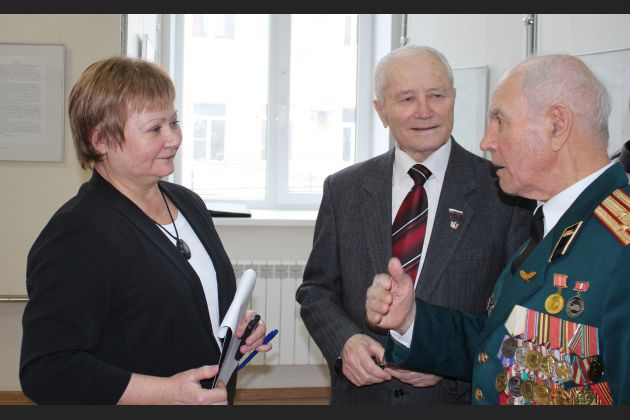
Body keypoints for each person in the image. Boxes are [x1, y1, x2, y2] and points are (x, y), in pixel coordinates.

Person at [366, 53, 630, 405]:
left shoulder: (620, 245)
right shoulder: (553, 220)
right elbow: (502, 345)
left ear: (556, 125)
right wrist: (410, 320)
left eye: (500, 121)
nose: (486, 141)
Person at [19, 55, 271, 405]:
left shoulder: (189, 204)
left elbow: (184, 313)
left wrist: (237, 333)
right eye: (155, 129)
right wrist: (166, 393)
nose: (174, 139)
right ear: (101, 140)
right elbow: (46, 370)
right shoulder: (77, 233)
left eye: (174, 122)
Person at [296, 45, 534, 405]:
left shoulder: (504, 193)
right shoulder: (343, 189)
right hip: (363, 397)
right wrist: (344, 342)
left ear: (454, 99)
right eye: (407, 99)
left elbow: (519, 313)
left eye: (437, 95)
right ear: (381, 111)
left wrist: (453, 362)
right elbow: (317, 290)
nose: (424, 111)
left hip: (452, 397)